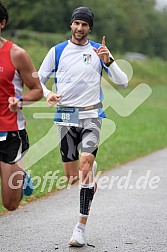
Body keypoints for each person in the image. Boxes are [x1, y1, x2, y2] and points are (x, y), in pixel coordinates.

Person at [39, 6, 128, 247]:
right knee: (71, 178)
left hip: (91, 115)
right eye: (76, 23)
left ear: (90, 28)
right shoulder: (57, 51)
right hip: (66, 116)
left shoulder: (98, 52)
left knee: (86, 163)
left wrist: (109, 60)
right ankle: (89, 176)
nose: (80, 28)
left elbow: (123, 82)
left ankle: (80, 228)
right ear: (71, 25)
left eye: (85, 24)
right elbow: (38, 79)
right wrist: (47, 93)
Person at [0, 1, 43, 211]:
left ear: (2, 23)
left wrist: (20, 101)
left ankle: (22, 176)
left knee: (10, 204)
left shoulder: (17, 54)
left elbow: (37, 89)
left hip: (10, 132)